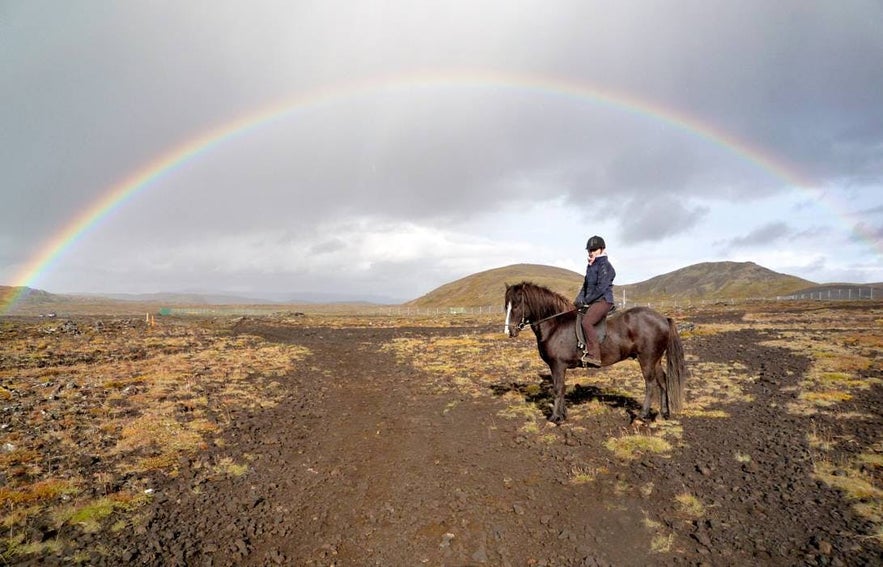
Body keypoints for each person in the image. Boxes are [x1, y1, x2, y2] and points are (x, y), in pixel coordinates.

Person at [574, 235, 615, 367]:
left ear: (602, 249)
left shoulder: (604, 266)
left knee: (587, 322)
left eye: (594, 249)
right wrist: (579, 299)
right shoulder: (591, 266)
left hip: (604, 300)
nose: (591, 252)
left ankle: (595, 355)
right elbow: (586, 285)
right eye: (590, 250)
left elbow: (601, 288)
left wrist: (587, 300)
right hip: (593, 300)